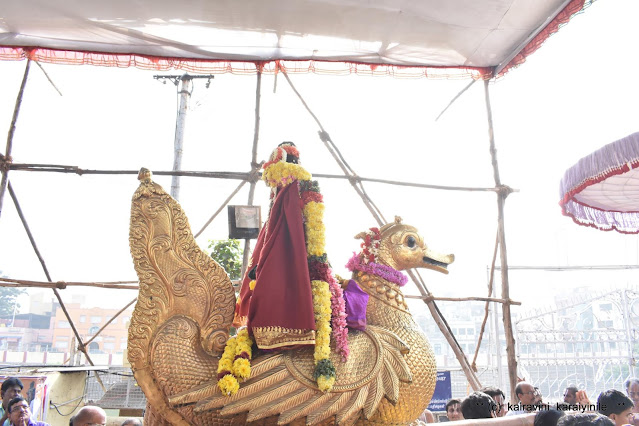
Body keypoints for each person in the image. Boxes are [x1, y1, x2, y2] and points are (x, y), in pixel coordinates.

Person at [232, 142, 316, 349]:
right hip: (278, 241)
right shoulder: (284, 191)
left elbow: (298, 227)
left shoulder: (295, 188)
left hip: (293, 245)